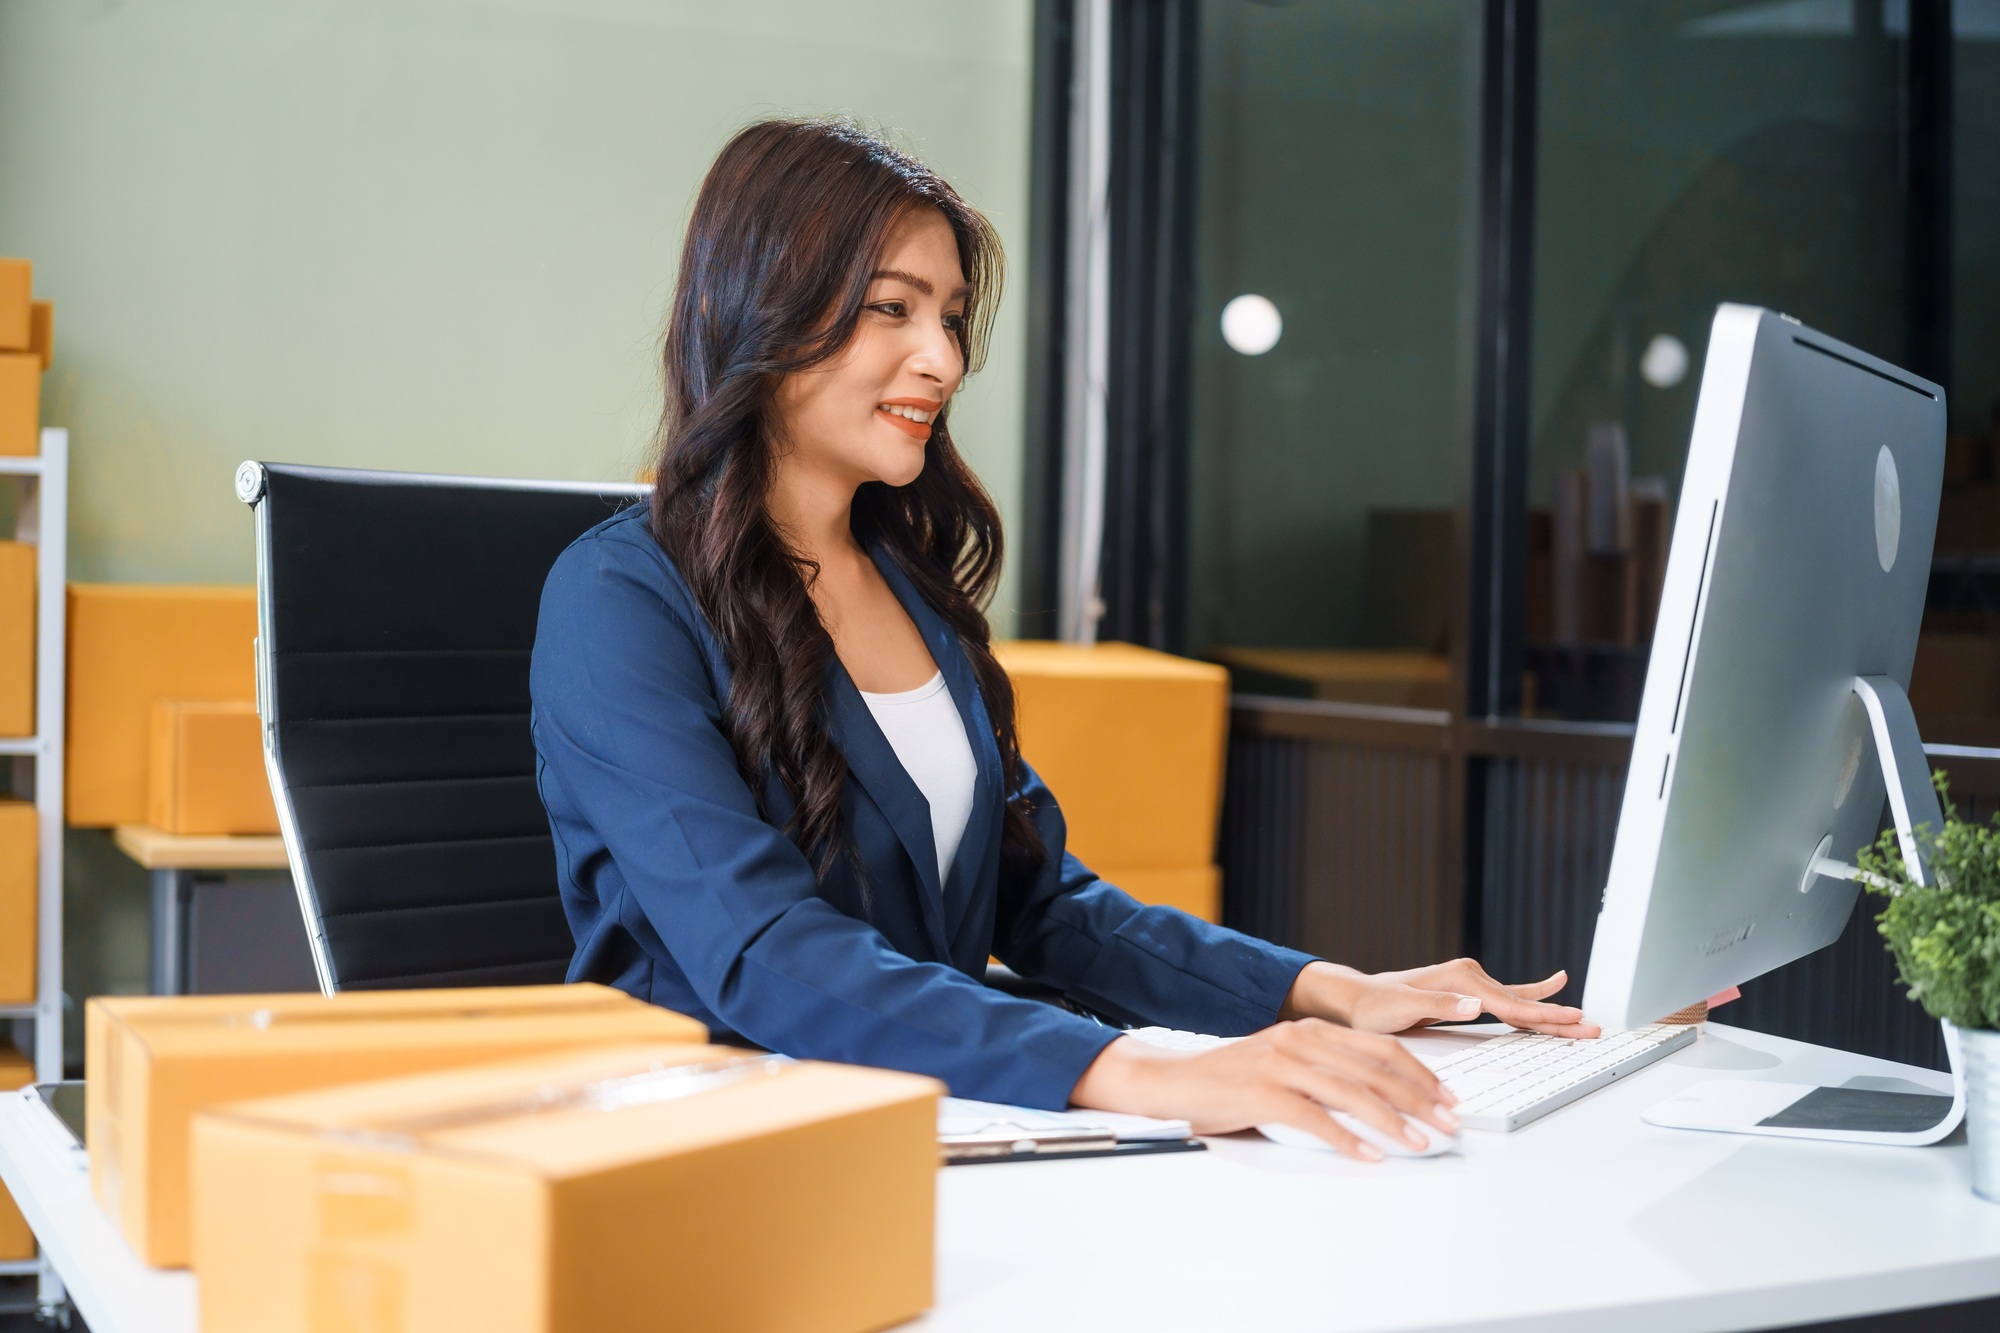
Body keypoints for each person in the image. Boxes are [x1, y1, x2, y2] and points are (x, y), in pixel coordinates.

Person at [530, 118, 1596, 1162]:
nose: (939, 360)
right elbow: (762, 951)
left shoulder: (905, 583)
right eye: (889, 310)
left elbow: (1042, 904)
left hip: (928, 1112)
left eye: (950, 319)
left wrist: (1337, 992)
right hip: (715, 1147)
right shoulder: (617, 601)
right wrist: (1152, 1077)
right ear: (757, 311)